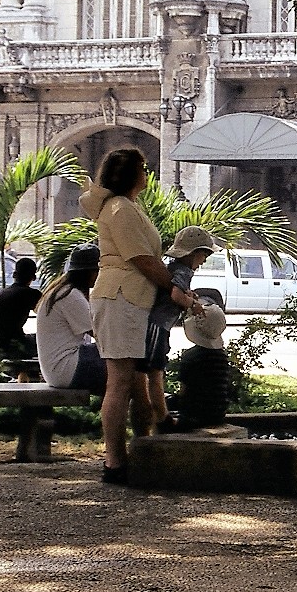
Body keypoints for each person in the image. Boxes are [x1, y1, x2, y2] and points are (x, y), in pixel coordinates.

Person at [80, 149, 201, 485]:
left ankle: (134, 451)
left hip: (128, 298)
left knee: (132, 380)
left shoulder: (127, 207)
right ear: (131, 173)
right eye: (143, 168)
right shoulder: (120, 209)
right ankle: (114, 461)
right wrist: (174, 288)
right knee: (119, 383)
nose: (147, 172)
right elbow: (142, 259)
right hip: (121, 297)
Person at [144, 226, 216, 433]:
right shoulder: (183, 271)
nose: (203, 261)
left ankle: (160, 415)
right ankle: (163, 418)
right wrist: (193, 305)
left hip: (158, 325)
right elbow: (176, 296)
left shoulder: (174, 267)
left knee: (154, 371)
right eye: (203, 255)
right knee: (156, 372)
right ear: (193, 254)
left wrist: (188, 295)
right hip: (159, 325)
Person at [36, 244, 108, 393]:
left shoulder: (62, 291)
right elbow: (100, 334)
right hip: (67, 368)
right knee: (123, 361)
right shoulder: (70, 296)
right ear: (90, 272)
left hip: (59, 370)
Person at [173, 303, 235, 430]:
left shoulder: (190, 356)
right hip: (217, 415)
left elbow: (184, 391)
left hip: (193, 417)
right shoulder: (221, 356)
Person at [0, 257, 41, 364]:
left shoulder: (4, 293)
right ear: (34, 277)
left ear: (14, 275)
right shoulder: (30, 294)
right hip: (12, 346)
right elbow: (49, 312)